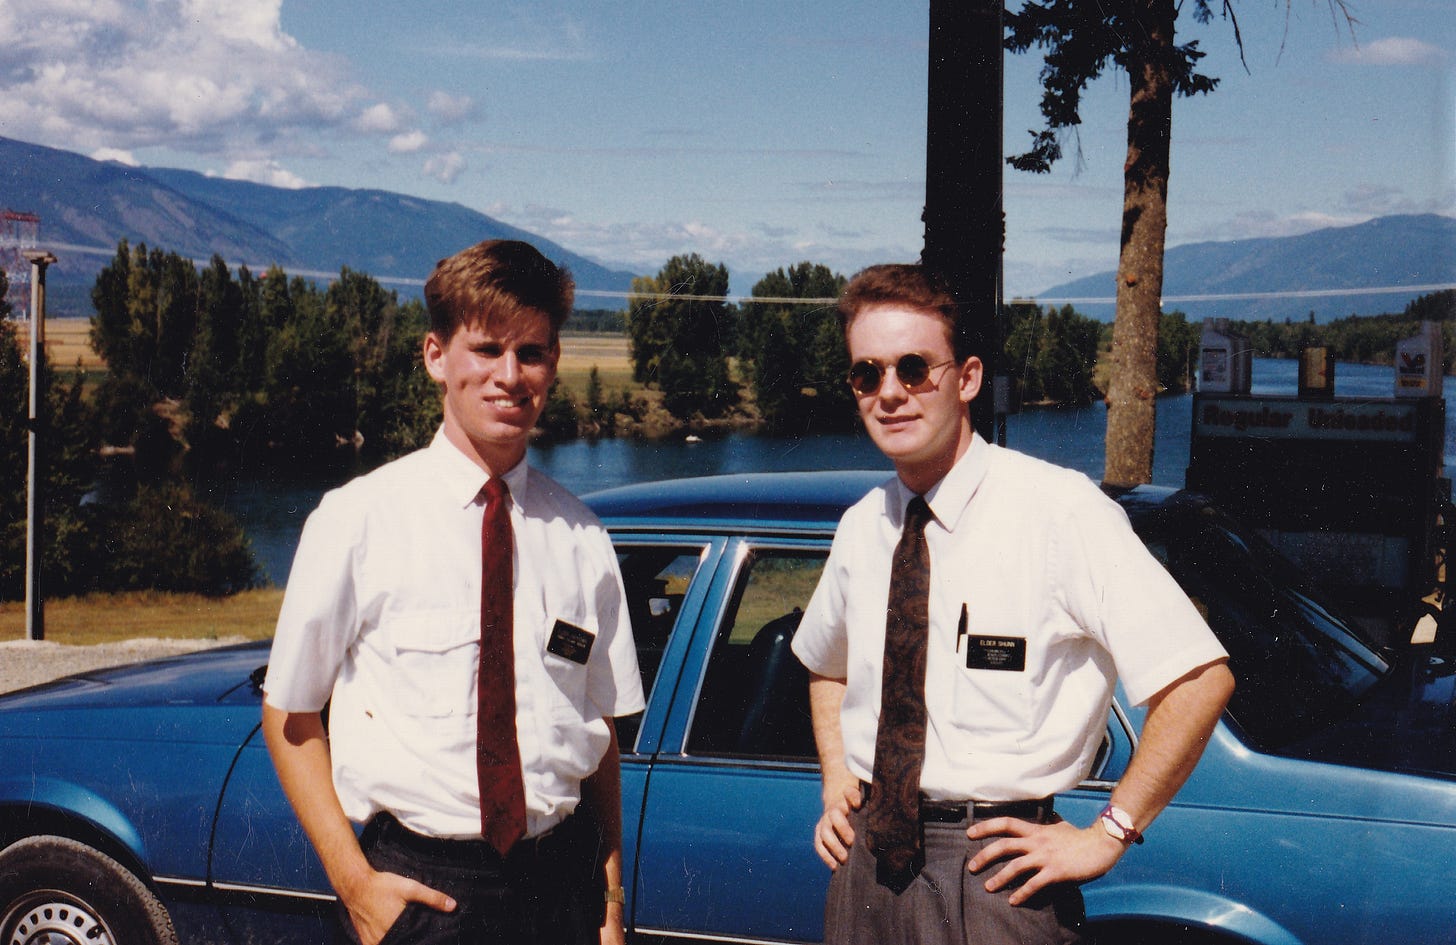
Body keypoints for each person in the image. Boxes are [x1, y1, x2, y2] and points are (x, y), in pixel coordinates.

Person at [791, 263, 1234, 945]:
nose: (890, 393)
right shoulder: (863, 526)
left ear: (966, 378)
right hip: (865, 874)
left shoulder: (1058, 512)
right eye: (867, 373)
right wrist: (834, 781)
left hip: (991, 879)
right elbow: (826, 664)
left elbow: (1199, 677)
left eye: (914, 368)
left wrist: (1110, 831)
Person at [262, 239, 644, 945]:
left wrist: (611, 902)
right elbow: (290, 717)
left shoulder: (582, 536)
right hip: (425, 891)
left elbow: (601, 741)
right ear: (436, 356)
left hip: (562, 890)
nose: (509, 375)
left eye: (531, 352)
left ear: (554, 363)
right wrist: (356, 886)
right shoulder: (358, 519)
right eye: (487, 348)